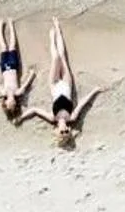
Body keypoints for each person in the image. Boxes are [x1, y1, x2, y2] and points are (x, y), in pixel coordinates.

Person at [21, 17, 102, 146]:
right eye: (66, 133)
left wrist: (21, 118)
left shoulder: (52, 118)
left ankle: (51, 37)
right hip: (67, 84)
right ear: (69, 131)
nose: (64, 131)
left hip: (54, 83)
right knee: (63, 57)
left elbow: (35, 110)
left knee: (56, 58)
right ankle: (58, 28)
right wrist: (94, 91)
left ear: (57, 130)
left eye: (61, 132)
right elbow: (82, 103)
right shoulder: (72, 117)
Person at [0, 16, 34, 122]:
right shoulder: (18, 92)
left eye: (8, 105)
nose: (11, 103)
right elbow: (26, 84)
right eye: (13, 105)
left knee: (3, 46)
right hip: (13, 66)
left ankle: (0, 28)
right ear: (16, 104)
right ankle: (11, 25)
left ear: (5, 103)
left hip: (4, 67)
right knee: (12, 46)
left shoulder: (4, 93)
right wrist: (31, 75)